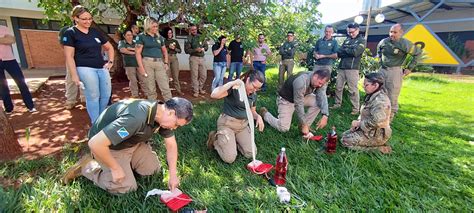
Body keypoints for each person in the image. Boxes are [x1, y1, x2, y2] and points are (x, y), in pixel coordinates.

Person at [61, 97, 194, 194]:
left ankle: (126, 164)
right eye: (176, 124)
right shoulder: (135, 118)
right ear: (171, 113)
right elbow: (95, 143)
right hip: (109, 146)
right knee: (125, 188)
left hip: (132, 143)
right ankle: (87, 167)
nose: (175, 128)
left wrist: (173, 175)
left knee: (152, 171)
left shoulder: (162, 116)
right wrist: (115, 168)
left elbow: (171, 146)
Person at [63, 5, 114, 124]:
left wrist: (110, 62)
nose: (88, 21)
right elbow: (69, 56)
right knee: (93, 96)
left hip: (101, 67)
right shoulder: (70, 33)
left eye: (90, 18)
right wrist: (74, 75)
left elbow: (109, 47)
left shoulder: (95, 32)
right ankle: (95, 123)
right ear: (76, 18)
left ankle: (100, 119)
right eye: (84, 19)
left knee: (106, 95)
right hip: (85, 68)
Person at [207, 71, 265, 163]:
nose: (255, 90)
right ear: (248, 80)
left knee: (251, 153)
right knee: (229, 158)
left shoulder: (253, 95)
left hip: (242, 126)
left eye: (258, 89)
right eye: (254, 86)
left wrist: (258, 117)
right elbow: (214, 94)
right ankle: (215, 139)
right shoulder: (234, 88)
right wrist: (232, 83)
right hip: (227, 124)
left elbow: (252, 111)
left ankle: (233, 141)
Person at [260, 69, 330, 136]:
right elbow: (298, 104)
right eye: (320, 83)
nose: (320, 86)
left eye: (322, 84)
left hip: (302, 96)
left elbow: (322, 97)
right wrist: (303, 123)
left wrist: (325, 115)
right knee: (283, 128)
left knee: (318, 102)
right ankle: (264, 114)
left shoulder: (319, 82)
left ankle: (304, 127)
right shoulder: (301, 81)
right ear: (315, 76)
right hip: (287, 100)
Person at [377, 23, 421, 121]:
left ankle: (389, 119)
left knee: (392, 94)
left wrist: (409, 68)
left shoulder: (405, 44)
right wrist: (380, 62)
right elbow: (379, 52)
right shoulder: (384, 42)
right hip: (382, 70)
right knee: (379, 92)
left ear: (401, 33)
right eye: (391, 32)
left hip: (395, 71)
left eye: (395, 32)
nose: (392, 34)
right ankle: (379, 114)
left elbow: (418, 53)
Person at [341, 72, 392, 154]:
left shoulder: (381, 101)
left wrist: (359, 124)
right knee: (343, 135)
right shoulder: (372, 95)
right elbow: (364, 113)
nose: (364, 87)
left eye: (366, 85)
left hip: (377, 135)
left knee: (345, 141)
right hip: (368, 130)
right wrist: (358, 123)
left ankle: (378, 149)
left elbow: (377, 122)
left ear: (375, 85)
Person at [331, 23, 366, 115]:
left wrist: (345, 51)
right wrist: (347, 51)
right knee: (338, 87)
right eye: (349, 32)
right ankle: (337, 104)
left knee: (352, 90)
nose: (350, 34)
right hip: (342, 66)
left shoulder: (361, 40)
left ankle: (355, 109)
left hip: (352, 68)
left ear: (357, 30)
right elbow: (339, 51)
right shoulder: (347, 40)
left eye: (352, 32)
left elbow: (355, 53)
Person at [0, 25, 36, 114]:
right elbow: (6, 40)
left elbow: (11, 40)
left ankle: (30, 106)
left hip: (10, 60)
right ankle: (8, 108)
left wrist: (6, 40)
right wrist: (3, 39)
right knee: (2, 87)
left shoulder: (3, 28)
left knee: (21, 82)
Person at [135, 17, 172, 101]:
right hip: (147, 63)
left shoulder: (159, 37)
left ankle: (171, 107)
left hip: (159, 63)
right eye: (154, 26)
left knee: (165, 86)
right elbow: (137, 53)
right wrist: (141, 68)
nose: (156, 28)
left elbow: (165, 51)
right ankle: (153, 108)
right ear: (148, 26)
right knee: (150, 88)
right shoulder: (141, 37)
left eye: (156, 26)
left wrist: (166, 63)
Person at [59, 25, 84, 110]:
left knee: (85, 79)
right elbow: (62, 44)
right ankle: (70, 101)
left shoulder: (85, 30)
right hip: (71, 58)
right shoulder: (65, 30)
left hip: (85, 59)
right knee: (70, 80)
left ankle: (84, 99)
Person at [118, 29, 147, 98]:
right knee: (133, 80)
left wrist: (130, 49)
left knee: (143, 79)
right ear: (124, 36)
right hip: (129, 65)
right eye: (128, 35)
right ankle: (135, 95)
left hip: (139, 64)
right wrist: (135, 52)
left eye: (131, 35)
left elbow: (142, 50)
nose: (130, 36)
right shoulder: (122, 42)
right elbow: (123, 50)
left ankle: (146, 94)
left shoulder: (136, 42)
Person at [184, 24, 208, 97]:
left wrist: (203, 49)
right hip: (194, 58)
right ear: (190, 30)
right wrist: (195, 50)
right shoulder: (188, 38)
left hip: (202, 58)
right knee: (194, 76)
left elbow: (206, 47)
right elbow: (186, 50)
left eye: (195, 29)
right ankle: (196, 91)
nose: (194, 31)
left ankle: (200, 88)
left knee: (204, 75)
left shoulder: (201, 37)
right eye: (192, 30)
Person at [163, 28, 183, 96]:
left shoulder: (175, 41)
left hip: (174, 57)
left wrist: (174, 48)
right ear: (166, 34)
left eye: (171, 33)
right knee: (166, 75)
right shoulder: (164, 41)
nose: (170, 34)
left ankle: (178, 90)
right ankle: (166, 91)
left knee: (175, 75)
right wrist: (168, 47)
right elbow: (162, 50)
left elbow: (180, 51)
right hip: (166, 58)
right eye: (168, 33)